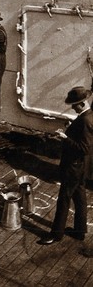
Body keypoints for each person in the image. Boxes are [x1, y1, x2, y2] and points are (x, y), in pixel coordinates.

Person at [40, 86, 93, 245]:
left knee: (64, 199)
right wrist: (71, 126)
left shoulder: (84, 121)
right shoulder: (89, 116)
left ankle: (56, 234)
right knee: (80, 197)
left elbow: (83, 147)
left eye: (74, 104)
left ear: (82, 103)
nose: (72, 107)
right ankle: (79, 231)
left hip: (74, 167)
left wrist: (64, 137)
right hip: (83, 167)